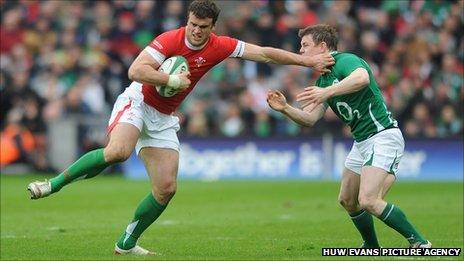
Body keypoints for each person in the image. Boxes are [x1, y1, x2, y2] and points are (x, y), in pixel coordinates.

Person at [27, 0, 334, 256]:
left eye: (203, 27)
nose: (196, 31)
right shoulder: (170, 39)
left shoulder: (221, 46)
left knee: (166, 189)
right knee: (118, 152)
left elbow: (265, 53)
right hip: (138, 100)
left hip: (163, 116)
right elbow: (136, 70)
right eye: (192, 24)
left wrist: (306, 63)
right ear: (187, 21)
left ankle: (127, 244)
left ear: (212, 27)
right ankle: (52, 185)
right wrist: (169, 79)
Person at [266, 24, 431, 248]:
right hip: (362, 141)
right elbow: (310, 119)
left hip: (382, 135)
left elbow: (362, 78)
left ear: (323, 47)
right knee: (347, 200)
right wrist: (285, 108)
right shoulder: (322, 80)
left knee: (369, 200)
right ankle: (372, 247)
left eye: (305, 45)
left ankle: (420, 243)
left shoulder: (345, 61)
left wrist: (327, 93)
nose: (301, 51)